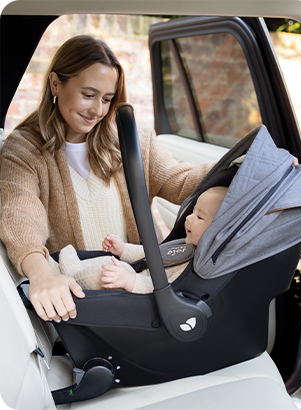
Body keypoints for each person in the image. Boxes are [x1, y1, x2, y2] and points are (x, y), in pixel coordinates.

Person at [0, 35, 213, 323]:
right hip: (88, 305)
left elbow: (182, 181)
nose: (98, 110)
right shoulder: (23, 150)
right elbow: (20, 217)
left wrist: (241, 162)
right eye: (88, 95)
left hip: (145, 290)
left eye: (107, 99)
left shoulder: (130, 138)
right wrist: (43, 275)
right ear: (55, 84)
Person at [49, 186, 227, 293]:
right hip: (134, 274)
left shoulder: (196, 267)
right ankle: (60, 270)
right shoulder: (187, 247)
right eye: (192, 211)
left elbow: (168, 291)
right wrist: (123, 249)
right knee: (110, 261)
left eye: (199, 217)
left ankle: (69, 274)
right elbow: (151, 254)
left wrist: (130, 281)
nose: (188, 218)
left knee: (106, 272)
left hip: (135, 290)